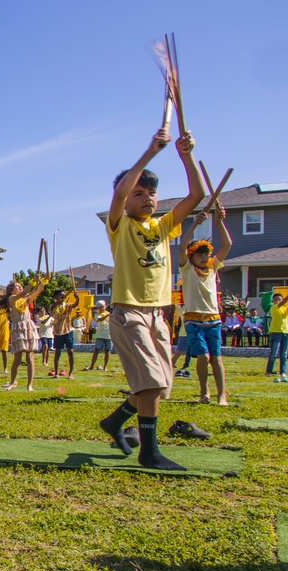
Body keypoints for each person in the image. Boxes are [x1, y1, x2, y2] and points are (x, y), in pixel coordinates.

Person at [98, 126, 205, 471]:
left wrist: (186, 156)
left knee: (159, 389)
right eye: (139, 192)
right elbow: (117, 196)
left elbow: (197, 194)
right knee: (151, 382)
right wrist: (150, 152)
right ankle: (149, 452)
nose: (147, 198)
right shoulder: (120, 225)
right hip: (130, 313)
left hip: (159, 315)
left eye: (152, 193)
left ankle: (116, 422)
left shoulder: (161, 227)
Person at [178, 204, 232, 404]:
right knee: (202, 357)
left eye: (205, 255)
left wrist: (219, 222)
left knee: (216, 358)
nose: (203, 258)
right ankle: (204, 392)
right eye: (199, 255)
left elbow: (227, 245)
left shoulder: (213, 267)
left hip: (213, 320)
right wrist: (194, 224)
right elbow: (182, 247)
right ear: (191, 257)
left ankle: (221, 395)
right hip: (193, 320)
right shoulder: (187, 270)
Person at [0, 277, 47, 391]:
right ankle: (12, 382)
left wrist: (43, 282)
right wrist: (33, 281)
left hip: (28, 327)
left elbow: (37, 291)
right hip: (18, 327)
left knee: (30, 356)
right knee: (17, 358)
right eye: (17, 286)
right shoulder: (12, 299)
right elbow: (25, 292)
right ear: (11, 290)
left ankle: (29, 385)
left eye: (20, 286)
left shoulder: (26, 300)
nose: (20, 287)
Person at [47, 288, 79, 379]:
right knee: (57, 352)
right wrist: (58, 301)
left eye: (63, 295)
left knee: (70, 351)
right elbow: (52, 307)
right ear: (55, 297)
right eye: (60, 295)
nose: (62, 296)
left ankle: (71, 373)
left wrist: (78, 298)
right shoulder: (53, 306)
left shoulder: (67, 305)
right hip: (58, 332)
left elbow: (75, 304)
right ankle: (56, 372)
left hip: (67, 330)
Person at [84, 301, 113, 371]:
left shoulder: (109, 314)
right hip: (100, 335)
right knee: (96, 350)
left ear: (105, 306)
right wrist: (109, 314)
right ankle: (92, 366)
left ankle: (105, 366)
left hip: (109, 335)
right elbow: (99, 319)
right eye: (100, 307)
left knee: (107, 351)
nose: (102, 308)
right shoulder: (97, 314)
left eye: (102, 307)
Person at [266, 293, 288, 381]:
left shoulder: (285, 308)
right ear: (273, 301)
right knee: (274, 353)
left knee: (284, 354)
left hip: (286, 332)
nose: (278, 301)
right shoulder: (274, 308)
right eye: (276, 300)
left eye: (279, 299)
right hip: (276, 332)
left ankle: (282, 372)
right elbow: (282, 303)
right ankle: (268, 371)